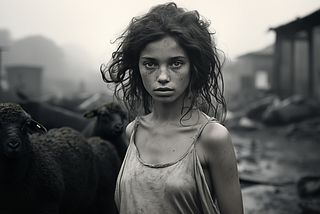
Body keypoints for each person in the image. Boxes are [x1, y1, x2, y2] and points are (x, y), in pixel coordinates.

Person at [100, 2, 243, 214]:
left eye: (176, 63)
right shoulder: (132, 132)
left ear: (193, 67)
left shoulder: (213, 138)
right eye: (150, 64)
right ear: (137, 67)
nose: (163, 77)